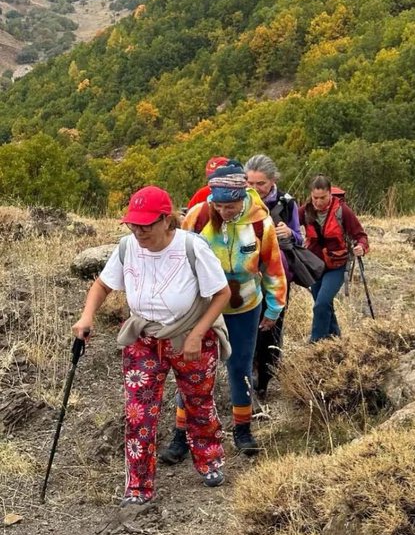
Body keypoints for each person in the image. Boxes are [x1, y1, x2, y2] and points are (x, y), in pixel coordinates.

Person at [72, 186, 231, 506]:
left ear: (166, 221)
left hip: (190, 336)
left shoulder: (191, 247)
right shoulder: (127, 247)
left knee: (198, 403)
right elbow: (103, 285)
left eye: (146, 224)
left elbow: (222, 293)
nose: (138, 230)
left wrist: (198, 333)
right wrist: (86, 316)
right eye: (133, 224)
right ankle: (139, 485)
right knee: (138, 414)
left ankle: (210, 460)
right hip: (143, 338)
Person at [161, 162, 287, 460]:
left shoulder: (260, 223)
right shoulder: (198, 216)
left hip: (244, 305)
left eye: (231, 206)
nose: (224, 212)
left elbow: (273, 268)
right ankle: (182, 434)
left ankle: (242, 429)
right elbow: (176, 260)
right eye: (219, 205)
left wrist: (274, 308)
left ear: (242, 197)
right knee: (191, 370)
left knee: (240, 366)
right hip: (202, 308)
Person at [244, 154, 303, 400]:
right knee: (250, 327)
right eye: (250, 183)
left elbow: (300, 239)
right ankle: (251, 373)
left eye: (261, 184)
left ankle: (265, 378)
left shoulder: (287, 204)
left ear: (273, 181)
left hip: (279, 277)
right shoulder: (240, 203)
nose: (255, 189)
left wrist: (288, 232)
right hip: (248, 276)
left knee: (273, 326)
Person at [300, 175, 369, 342]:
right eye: (315, 198)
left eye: (322, 198)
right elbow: (290, 224)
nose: (318, 202)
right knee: (324, 304)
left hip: (337, 266)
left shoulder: (342, 210)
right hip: (314, 266)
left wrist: (361, 247)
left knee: (321, 304)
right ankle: (336, 337)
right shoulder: (305, 210)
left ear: (330, 194)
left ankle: (317, 342)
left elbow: (360, 235)